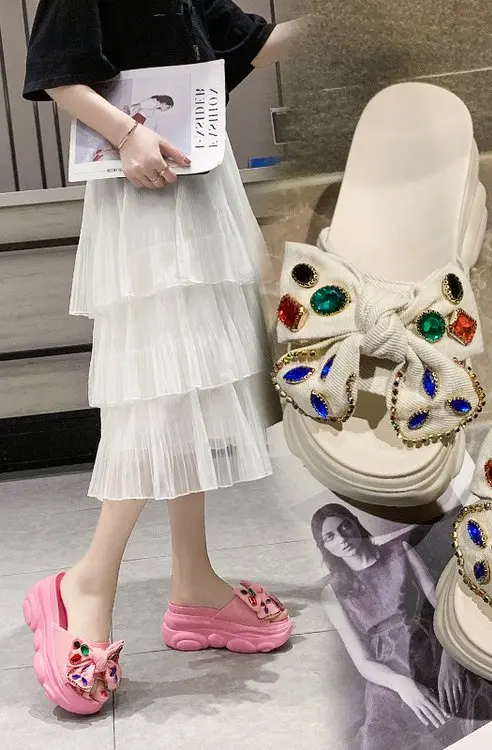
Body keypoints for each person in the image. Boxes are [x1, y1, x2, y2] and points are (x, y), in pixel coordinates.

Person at [21, 0, 307, 716]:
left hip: (195, 181)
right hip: (143, 185)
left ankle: (193, 580)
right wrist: (127, 134)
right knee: (159, 386)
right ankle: (85, 583)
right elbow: (57, 70)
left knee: (186, 386)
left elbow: (245, 42)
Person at [311, 504, 492, 750]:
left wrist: (451, 658)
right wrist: (404, 686)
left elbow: (443, 606)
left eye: (345, 527)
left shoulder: (400, 550)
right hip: (389, 674)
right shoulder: (331, 592)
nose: (342, 539)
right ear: (324, 547)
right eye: (330, 537)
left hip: (434, 646)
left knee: (482, 701)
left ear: (355, 523)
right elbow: (363, 662)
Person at [93, 95, 175, 160]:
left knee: (125, 143)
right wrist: (130, 119)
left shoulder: (155, 105)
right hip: (136, 120)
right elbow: (138, 107)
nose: (167, 109)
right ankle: (102, 152)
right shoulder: (153, 102)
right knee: (125, 142)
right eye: (168, 107)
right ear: (165, 103)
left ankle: (103, 152)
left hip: (139, 121)